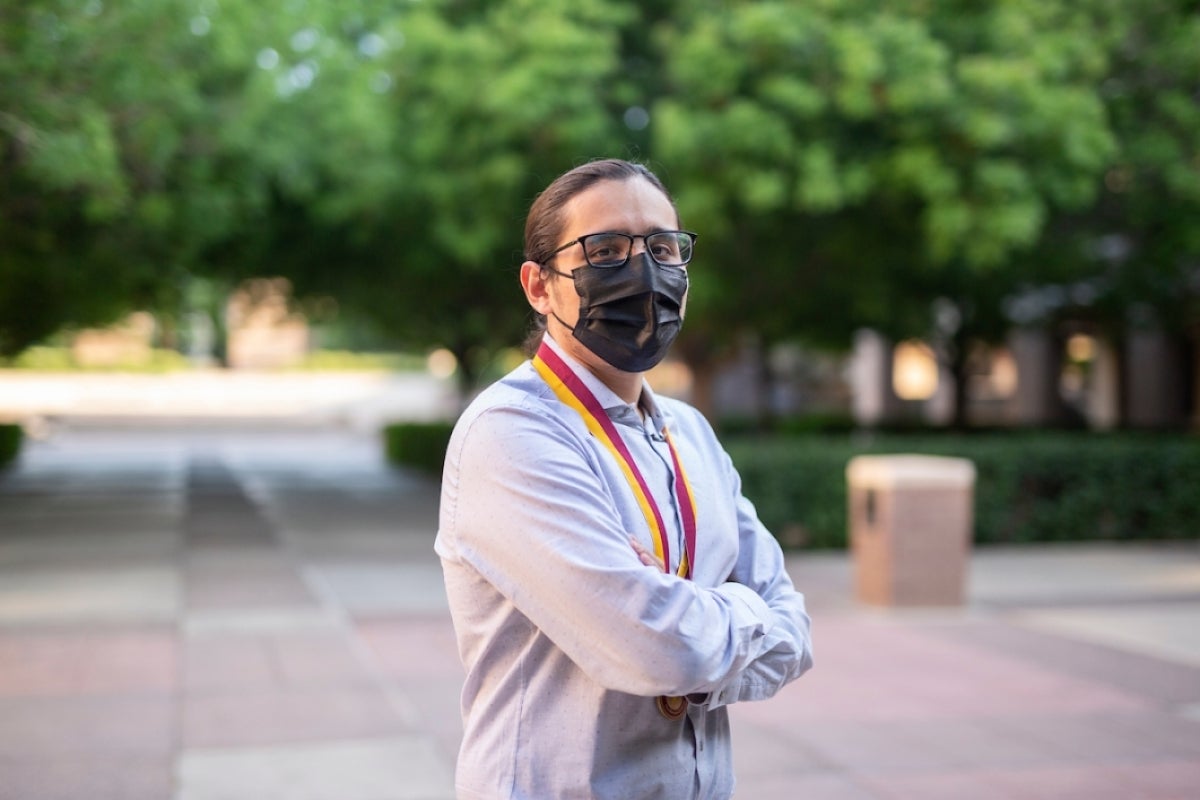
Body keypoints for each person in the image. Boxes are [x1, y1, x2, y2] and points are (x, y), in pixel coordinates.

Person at [435, 158, 813, 800]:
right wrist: (723, 618)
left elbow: (795, 635)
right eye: (605, 250)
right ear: (538, 285)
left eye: (663, 248)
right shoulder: (512, 433)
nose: (643, 272)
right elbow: (656, 649)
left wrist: (684, 618)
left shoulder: (690, 432)